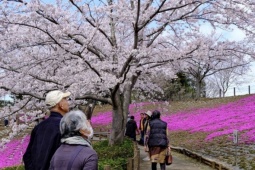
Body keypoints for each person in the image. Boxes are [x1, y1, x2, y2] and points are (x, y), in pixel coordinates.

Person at [23, 90, 71, 170]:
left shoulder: (39, 127)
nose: (68, 102)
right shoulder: (65, 126)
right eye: (65, 99)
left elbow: (27, 155)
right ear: (61, 104)